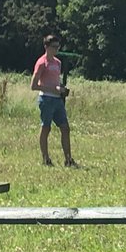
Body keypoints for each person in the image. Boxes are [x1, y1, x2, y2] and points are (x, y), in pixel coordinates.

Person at [31, 34, 76, 167]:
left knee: (65, 128)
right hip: (46, 99)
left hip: (57, 100)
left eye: (58, 47)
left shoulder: (58, 63)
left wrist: (61, 88)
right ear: (46, 47)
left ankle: (68, 159)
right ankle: (46, 159)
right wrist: (52, 89)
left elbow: (55, 81)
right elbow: (33, 85)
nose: (56, 50)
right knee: (46, 128)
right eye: (53, 47)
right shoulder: (41, 63)